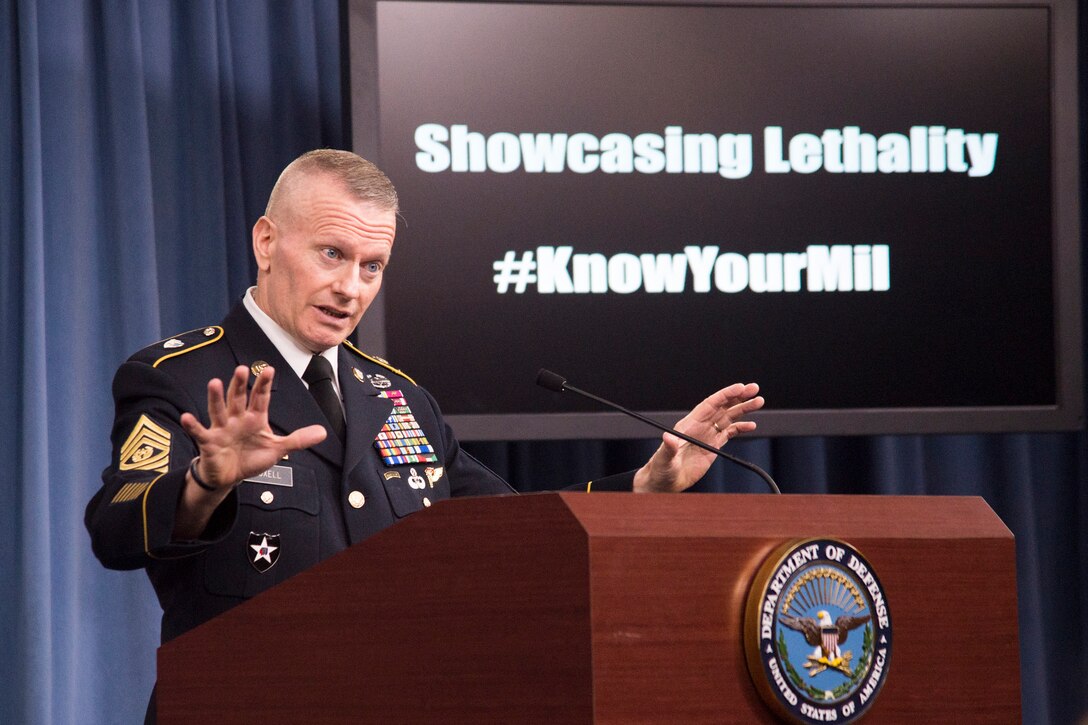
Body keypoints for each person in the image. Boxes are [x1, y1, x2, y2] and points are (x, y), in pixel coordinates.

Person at [85, 149, 763, 716]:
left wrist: (645, 487)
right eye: (331, 253)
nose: (350, 287)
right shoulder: (180, 376)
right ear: (266, 241)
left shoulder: (397, 396)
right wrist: (206, 482)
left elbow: (512, 529)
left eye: (371, 265)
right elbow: (113, 528)